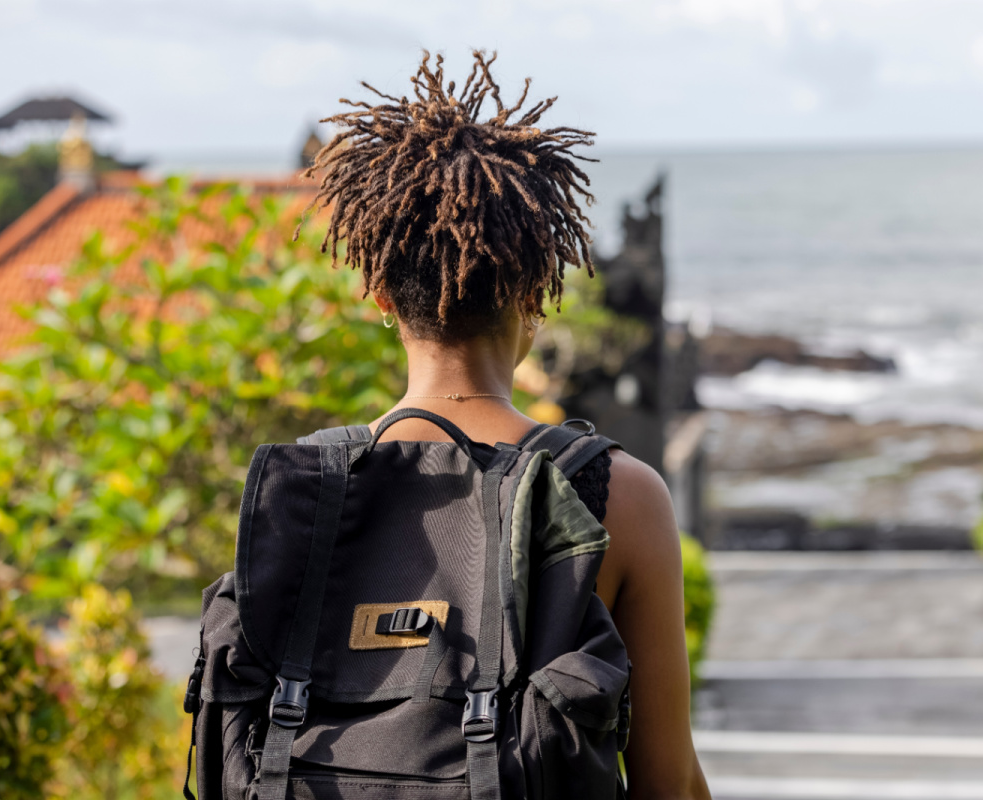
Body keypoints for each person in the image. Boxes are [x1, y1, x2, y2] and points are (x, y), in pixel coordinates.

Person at [301, 51, 711, 800]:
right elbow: (669, 784)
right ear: (535, 292)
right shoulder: (615, 495)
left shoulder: (303, 490)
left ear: (380, 296)